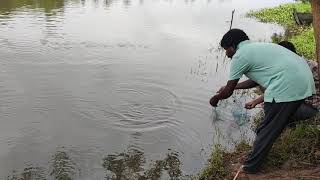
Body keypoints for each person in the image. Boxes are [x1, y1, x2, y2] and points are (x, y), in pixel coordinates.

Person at [210, 29, 315, 173]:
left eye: (226, 49)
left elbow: (227, 92)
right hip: (303, 84)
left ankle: (250, 168)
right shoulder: (257, 47)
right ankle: (258, 153)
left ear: (233, 46)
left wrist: (215, 98)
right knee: (270, 125)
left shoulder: (240, 56)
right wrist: (233, 87)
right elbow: (254, 81)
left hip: (286, 86)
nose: (226, 54)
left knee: (266, 130)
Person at [245, 41, 320, 121]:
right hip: (305, 102)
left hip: (311, 108)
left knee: (273, 107)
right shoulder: (305, 64)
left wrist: (256, 101)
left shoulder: (297, 70)